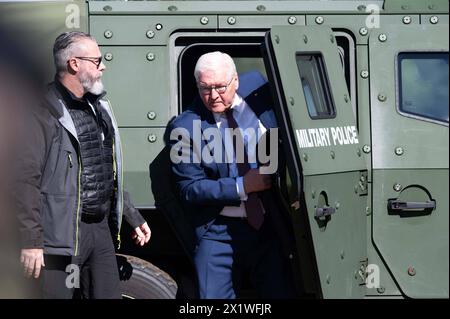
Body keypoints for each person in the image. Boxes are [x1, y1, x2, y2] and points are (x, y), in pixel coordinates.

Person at [14, 31, 151, 299]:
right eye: (97, 60)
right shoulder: (40, 110)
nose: (103, 67)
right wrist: (31, 242)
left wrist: (130, 213)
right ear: (74, 64)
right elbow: (23, 179)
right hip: (60, 235)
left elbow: (102, 168)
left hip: (98, 231)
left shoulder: (98, 107)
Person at [166, 51, 297, 298]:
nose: (213, 96)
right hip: (218, 231)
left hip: (268, 224)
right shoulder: (183, 128)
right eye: (205, 88)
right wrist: (242, 186)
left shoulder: (258, 87)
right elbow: (190, 189)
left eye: (220, 87)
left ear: (235, 80)